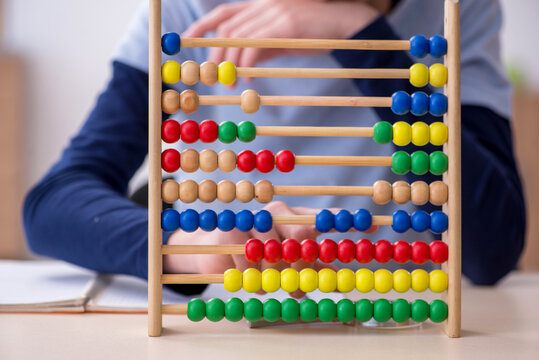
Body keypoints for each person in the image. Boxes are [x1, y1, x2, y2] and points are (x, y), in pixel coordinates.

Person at [23, 0, 525, 293]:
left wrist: (361, 37)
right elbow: (53, 203)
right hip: (228, 318)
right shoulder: (192, 9)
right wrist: (185, 249)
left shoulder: (456, 11)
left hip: (398, 321)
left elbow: (490, 250)